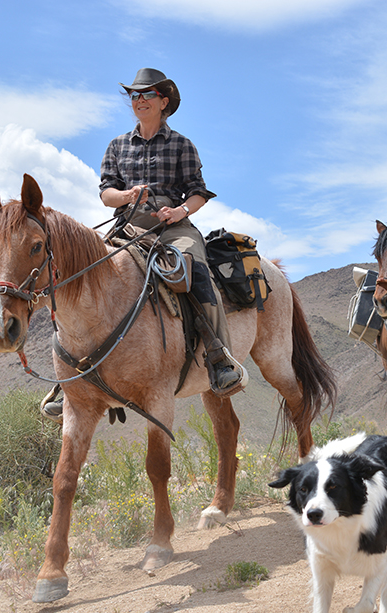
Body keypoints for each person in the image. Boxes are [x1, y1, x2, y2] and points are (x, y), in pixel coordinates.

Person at [98, 68, 247, 396]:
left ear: (163, 101)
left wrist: (179, 211)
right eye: (134, 95)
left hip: (173, 227)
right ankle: (75, 371)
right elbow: (107, 192)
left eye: (146, 94)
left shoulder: (182, 145)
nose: (139, 100)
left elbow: (198, 192)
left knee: (194, 268)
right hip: (127, 225)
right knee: (85, 269)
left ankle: (220, 357)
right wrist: (125, 196)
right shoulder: (117, 146)